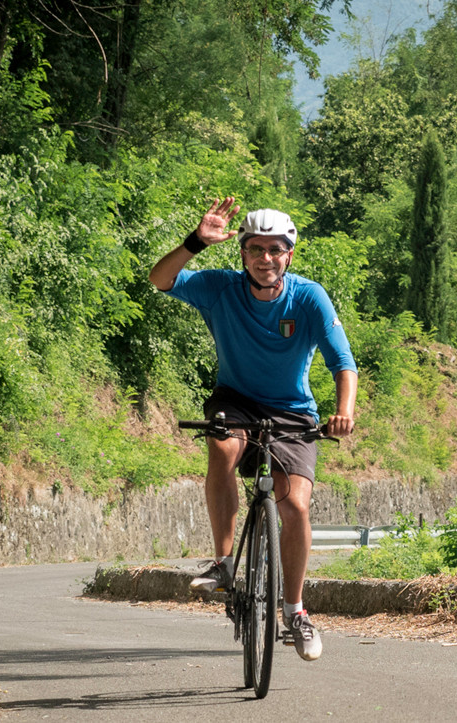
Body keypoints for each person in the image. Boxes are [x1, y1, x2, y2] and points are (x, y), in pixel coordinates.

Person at [149, 198, 357, 663]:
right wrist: (195, 242)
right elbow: (160, 281)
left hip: (292, 411)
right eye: (255, 249)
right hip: (235, 400)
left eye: (275, 250)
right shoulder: (220, 288)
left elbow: (343, 362)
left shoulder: (308, 296)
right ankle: (224, 565)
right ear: (241, 253)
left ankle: (295, 610)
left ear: (290, 254)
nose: (266, 258)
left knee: (295, 505)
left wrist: (344, 411)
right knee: (221, 449)